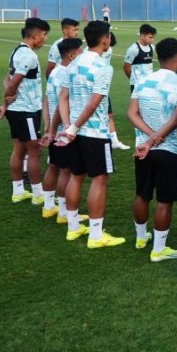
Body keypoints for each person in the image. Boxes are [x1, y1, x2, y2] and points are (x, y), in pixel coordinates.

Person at [56, 20, 125, 248]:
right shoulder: (103, 67)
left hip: (74, 133)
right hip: (94, 132)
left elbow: (63, 98)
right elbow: (94, 104)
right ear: (105, 39)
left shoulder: (73, 63)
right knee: (99, 180)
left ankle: (73, 228)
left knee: (76, 176)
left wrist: (68, 127)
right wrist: (74, 127)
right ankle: (96, 235)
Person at [127, 38, 177, 263]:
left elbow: (132, 113)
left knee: (142, 194)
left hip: (142, 149)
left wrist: (149, 136)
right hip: (169, 150)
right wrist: (157, 137)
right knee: (165, 200)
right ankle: (158, 249)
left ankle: (139, 238)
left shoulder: (143, 81)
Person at [1, 17, 51, 204]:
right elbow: (13, 82)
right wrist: (8, 98)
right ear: (35, 35)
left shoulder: (16, 51)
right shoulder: (29, 56)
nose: (45, 39)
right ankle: (38, 195)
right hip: (26, 110)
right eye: (44, 35)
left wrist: (6, 104)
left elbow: (6, 78)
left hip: (17, 110)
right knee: (35, 151)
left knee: (19, 149)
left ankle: (18, 191)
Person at [40, 37, 85, 222]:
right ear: (72, 54)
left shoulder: (55, 72)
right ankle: (64, 212)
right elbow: (60, 104)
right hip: (61, 132)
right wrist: (53, 130)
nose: (83, 54)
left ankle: (49, 206)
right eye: (81, 51)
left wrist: (47, 126)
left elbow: (46, 101)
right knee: (66, 171)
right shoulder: (66, 73)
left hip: (53, 128)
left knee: (53, 167)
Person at [103, 32, 131, 150]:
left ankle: (114, 140)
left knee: (109, 115)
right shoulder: (104, 52)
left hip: (103, 90)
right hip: (99, 90)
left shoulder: (107, 50)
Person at [123, 23, 157, 93]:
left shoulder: (152, 47)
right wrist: (133, 78)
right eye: (150, 37)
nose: (152, 40)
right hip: (137, 84)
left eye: (153, 37)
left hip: (149, 84)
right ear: (142, 36)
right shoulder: (133, 49)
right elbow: (126, 67)